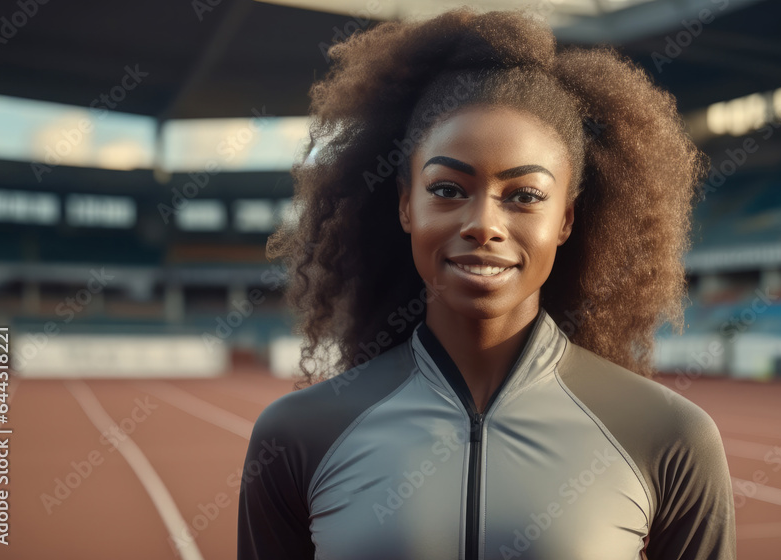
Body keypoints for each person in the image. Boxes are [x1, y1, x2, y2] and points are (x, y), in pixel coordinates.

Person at [238, 7, 735, 560]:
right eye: (448, 189)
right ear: (406, 205)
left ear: (566, 220)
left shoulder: (669, 437)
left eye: (524, 196)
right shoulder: (299, 437)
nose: (484, 225)